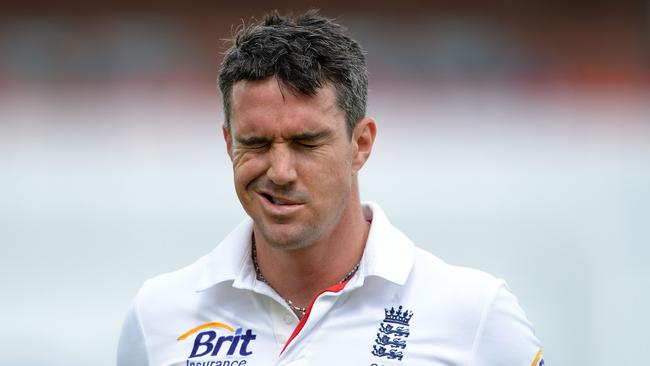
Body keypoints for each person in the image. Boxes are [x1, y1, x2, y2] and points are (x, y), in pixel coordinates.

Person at [117, 10, 544, 366]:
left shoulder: (474, 314)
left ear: (360, 145)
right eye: (256, 143)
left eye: (307, 143)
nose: (280, 171)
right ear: (229, 144)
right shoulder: (158, 315)